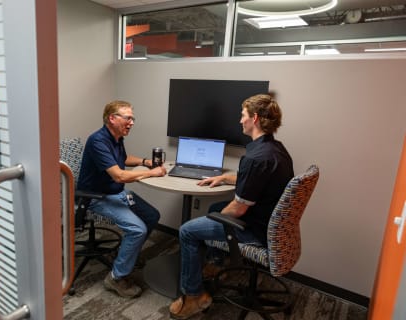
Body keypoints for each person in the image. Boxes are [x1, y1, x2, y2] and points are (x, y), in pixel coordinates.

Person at [169, 94, 294, 319]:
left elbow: (238, 210)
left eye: (242, 115)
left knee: (187, 230)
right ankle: (216, 264)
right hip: (270, 222)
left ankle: (194, 296)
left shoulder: (256, 157)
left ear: (254, 118)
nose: (240, 120)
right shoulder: (276, 150)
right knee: (215, 206)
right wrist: (226, 177)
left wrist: (217, 219)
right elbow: (257, 179)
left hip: (254, 229)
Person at [77, 100, 167, 299]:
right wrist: (152, 173)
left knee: (152, 215)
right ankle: (116, 278)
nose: (132, 122)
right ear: (112, 118)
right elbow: (119, 175)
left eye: (132, 118)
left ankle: (125, 256)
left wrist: (145, 162)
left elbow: (123, 159)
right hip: (96, 197)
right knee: (137, 229)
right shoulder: (98, 140)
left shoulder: (116, 137)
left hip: (116, 193)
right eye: (128, 118)